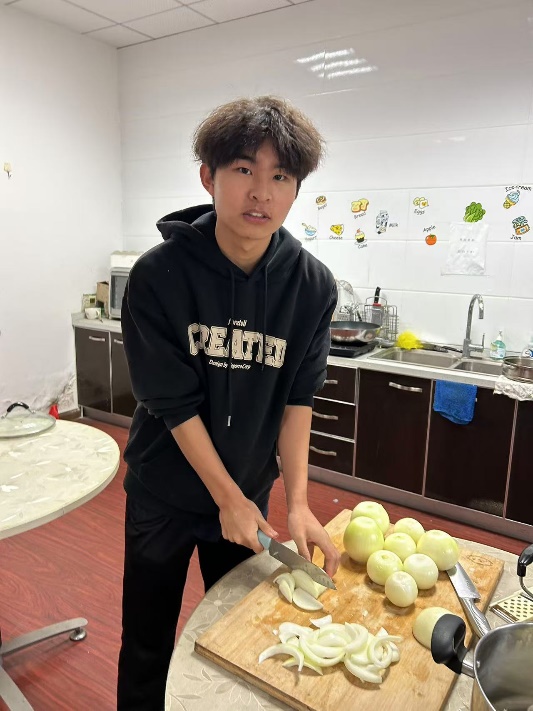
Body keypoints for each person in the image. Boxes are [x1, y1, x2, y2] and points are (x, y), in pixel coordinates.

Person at [117, 95, 341, 710]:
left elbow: (298, 400)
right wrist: (227, 499)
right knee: (148, 641)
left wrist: (298, 503)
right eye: (244, 169)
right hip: (164, 493)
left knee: (243, 639)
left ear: (296, 191)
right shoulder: (158, 275)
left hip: (249, 496)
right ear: (208, 176)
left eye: (281, 177)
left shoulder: (312, 286)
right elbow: (173, 403)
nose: (261, 192)